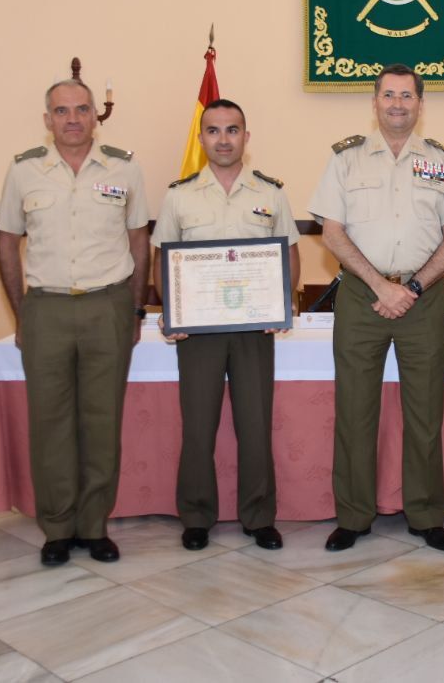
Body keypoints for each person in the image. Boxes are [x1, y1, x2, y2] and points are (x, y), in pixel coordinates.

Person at [308, 63, 444, 552]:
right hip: (362, 297)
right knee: (355, 412)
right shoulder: (345, 160)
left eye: (407, 96)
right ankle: (354, 515)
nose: (398, 103)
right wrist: (381, 285)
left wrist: (414, 288)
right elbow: (332, 232)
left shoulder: (443, 162)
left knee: (424, 413)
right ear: (374, 102)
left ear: (421, 105)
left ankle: (425, 514)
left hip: (422, 301)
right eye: (389, 95)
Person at [0, 79, 149, 567]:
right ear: (47, 119)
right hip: (48, 308)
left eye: (82, 109)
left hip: (108, 304)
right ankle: (57, 527)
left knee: (103, 421)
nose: (73, 119)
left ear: (95, 117)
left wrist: (135, 307)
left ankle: (93, 525)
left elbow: (139, 240)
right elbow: (5, 242)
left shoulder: (125, 167)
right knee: (51, 423)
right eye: (62, 111)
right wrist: (22, 312)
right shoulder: (23, 172)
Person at [152, 99, 300, 552]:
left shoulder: (270, 193)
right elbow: (164, 261)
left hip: (254, 330)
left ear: (246, 137)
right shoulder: (179, 194)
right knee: (198, 426)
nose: (223, 139)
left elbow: (291, 254)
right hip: (197, 333)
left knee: (255, 425)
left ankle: (259, 516)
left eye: (232, 130)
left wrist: (282, 302)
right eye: (213, 131)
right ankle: (197, 516)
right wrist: (170, 311)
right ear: (201, 139)